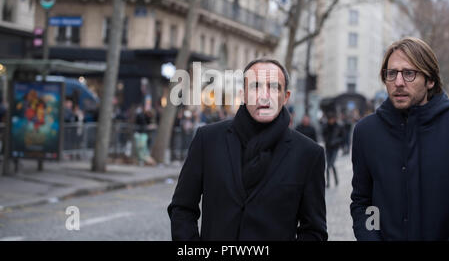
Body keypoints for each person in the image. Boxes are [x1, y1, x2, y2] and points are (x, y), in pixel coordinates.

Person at [168, 58, 327, 241]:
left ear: (286, 97)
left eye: (274, 87)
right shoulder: (208, 140)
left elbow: (314, 231)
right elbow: (182, 208)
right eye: (255, 87)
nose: (264, 96)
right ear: (243, 94)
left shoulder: (309, 154)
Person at [350, 37, 449, 240]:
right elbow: (364, 203)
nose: (399, 82)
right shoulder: (366, 132)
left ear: (430, 80)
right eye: (391, 73)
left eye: (409, 73)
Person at [322, 112, 344, 188]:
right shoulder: (326, 127)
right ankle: (329, 182)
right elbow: (323, 135)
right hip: (328, 148)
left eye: (332, 119)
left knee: (331, 164)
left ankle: (335, 180)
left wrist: (336, 141)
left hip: (335, 148)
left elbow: (342, 137)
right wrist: (327, 141)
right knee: (328, 165)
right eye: (329, 119)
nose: (330, 121)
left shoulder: (338, 126)